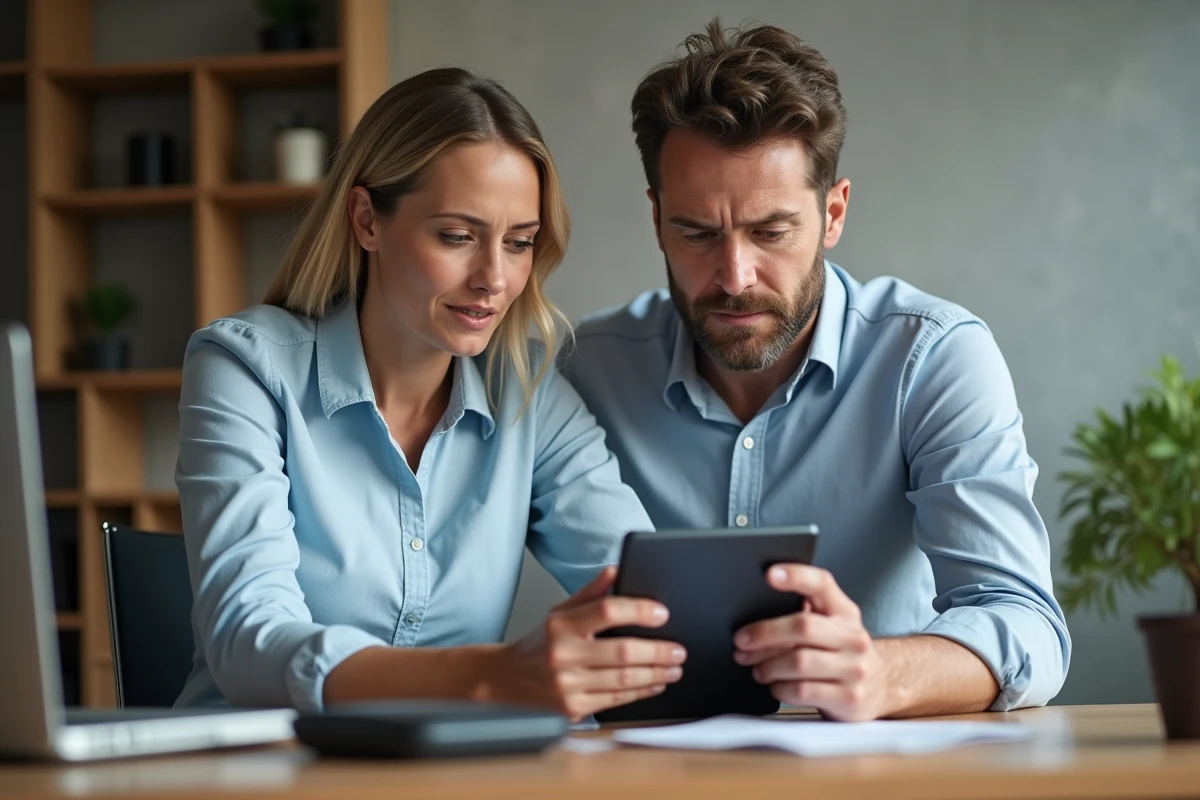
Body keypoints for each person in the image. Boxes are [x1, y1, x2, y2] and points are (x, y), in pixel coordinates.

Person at [561, 20, 1071, 721]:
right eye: (698, 233)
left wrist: (883, 673)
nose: (735, 277)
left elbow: (1028, 627)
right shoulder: (590, 370)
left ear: (833, 214)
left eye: (771, 232)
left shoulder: (933, 359)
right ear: (655, 221)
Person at [174, 68, 686, 721]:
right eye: (457, 236)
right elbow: (250, 643)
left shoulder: (526, 390)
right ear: (367, 220)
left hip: (446, 773)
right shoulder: (245, 368)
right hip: (251, 771)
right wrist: (493, 676)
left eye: (520, 243)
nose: (494, 280)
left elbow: (651, 599)